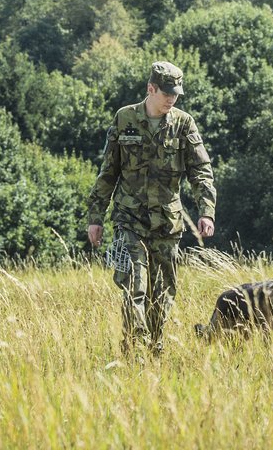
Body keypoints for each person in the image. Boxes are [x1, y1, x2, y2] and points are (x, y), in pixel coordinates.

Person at [86, 60, 216, 355]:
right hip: (130, 220)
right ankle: (135, 352)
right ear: (151, 89)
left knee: (163, 294)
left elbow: (201, 171)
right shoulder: (125, 119)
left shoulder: (184, 123)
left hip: (167, 225)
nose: (172, 99)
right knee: (135, 286)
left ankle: (154, 349)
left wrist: (206, 211)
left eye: (176, 94)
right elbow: (109, 171)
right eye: (166, 93)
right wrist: (96, 218)